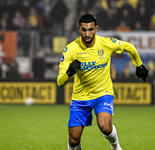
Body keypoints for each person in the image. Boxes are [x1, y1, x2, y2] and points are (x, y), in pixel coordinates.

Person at [57, 14, 148, 150]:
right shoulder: (71, 49)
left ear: (96, 29)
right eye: (84, 30)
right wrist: (69, 72)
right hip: (80, 97)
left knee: (105, 126)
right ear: (79, 29)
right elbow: (60, 82)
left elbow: (130, 47)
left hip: (102, 93)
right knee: (74, 140)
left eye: (91, 29)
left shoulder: (106, 43)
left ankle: (116, 147)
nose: (87, 34)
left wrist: (139, 66)